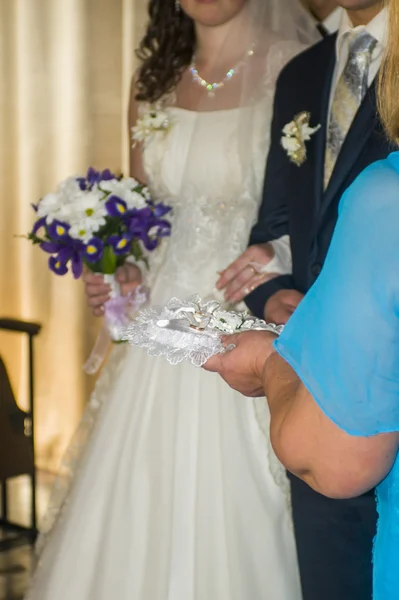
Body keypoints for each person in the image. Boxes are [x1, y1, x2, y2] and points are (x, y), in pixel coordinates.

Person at [25, 2, 318, 599]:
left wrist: (277, 255)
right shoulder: (154, 77)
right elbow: (145, 221)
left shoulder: (297, 68)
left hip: (244, 317)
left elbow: (310, 206)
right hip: (161, 331)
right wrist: (123, 271)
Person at [204, 0, 399, 597]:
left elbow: (335, 462)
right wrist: (270, 292)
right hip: (322, 359)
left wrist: (272, 363)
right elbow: (280, 224)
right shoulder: (303, 72)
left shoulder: (385, 193)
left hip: (338, 404)